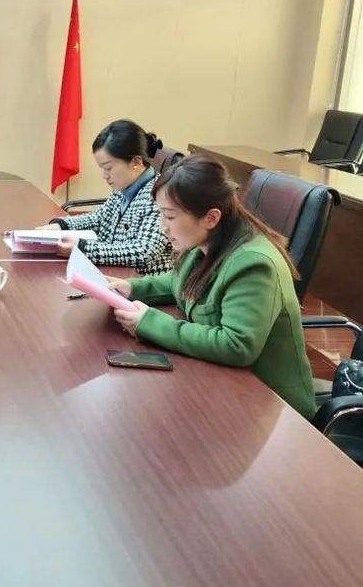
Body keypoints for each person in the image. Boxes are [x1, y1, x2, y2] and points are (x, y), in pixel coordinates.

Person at [109, 154, 316, 420]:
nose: (163, 228)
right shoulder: (207, 241)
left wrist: (151, 323)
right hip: (220, 382)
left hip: (268, 406)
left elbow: (236, 345)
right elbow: (178, 281)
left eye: (169, 216)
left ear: (211, 217)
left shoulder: (254, 264)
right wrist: (131, 288)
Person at [37, 119, 173, 275]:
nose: (104, 176)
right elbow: (99, 218)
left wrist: (83, 248)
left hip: (142, 282)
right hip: (115, 274)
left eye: (108, 168)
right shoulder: (124, 187)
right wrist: (60, 226)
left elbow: (144, 251)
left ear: (135, 162)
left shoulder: (159, 195)